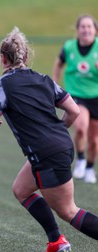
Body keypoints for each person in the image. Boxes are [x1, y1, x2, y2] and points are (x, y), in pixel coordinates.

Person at [0, 27, 98, 252]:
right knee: (21, 189)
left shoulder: (1, 84)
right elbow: (74, 111)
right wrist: (56, 132)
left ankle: (59, 240)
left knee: (68, 211)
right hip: (59, 146)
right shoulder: (45, 80)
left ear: (3, 58)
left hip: (46, 153)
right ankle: (56, 241)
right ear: (26, 56)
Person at [52, 14, 98, 184]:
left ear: (95, 30)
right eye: (83, 27)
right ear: (78, 30)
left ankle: (89, 168)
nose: (86, 30)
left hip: (96, 96)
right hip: (76, 94)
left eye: (89, 27)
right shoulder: (69, 47)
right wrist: (54, 85)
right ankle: (80, 159)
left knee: (94, 140)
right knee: (80, 127)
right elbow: (58, 63)